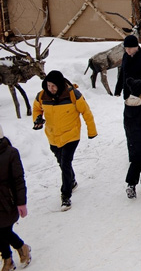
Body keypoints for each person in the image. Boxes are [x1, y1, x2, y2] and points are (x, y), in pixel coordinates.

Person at [32, 70, 97, 211]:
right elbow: (37, 109)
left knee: (65, 163)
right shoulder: (42, 95)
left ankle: (65, 196)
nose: (51, 89)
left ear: (60, 84)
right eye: (49, 85)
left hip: (71, 136)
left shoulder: (73, 94)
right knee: (61, 162)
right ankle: (72, 181)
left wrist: (92, 131)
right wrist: (37, 119)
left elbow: (86, 112)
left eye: (54, 86)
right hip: (53, 136)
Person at [0, 125, 30, 270]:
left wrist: (21, 202)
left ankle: (19, 248)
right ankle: (9, 258)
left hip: (7, 201)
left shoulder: (11, 153)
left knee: (3, 230)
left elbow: (18, 179)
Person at [113, 34, 141, 102]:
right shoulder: (125, 56)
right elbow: (122, 73)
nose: (127, 50)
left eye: (129, 48)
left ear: (136, 47)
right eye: (126, 48)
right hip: (128, 94)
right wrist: (118, 90)